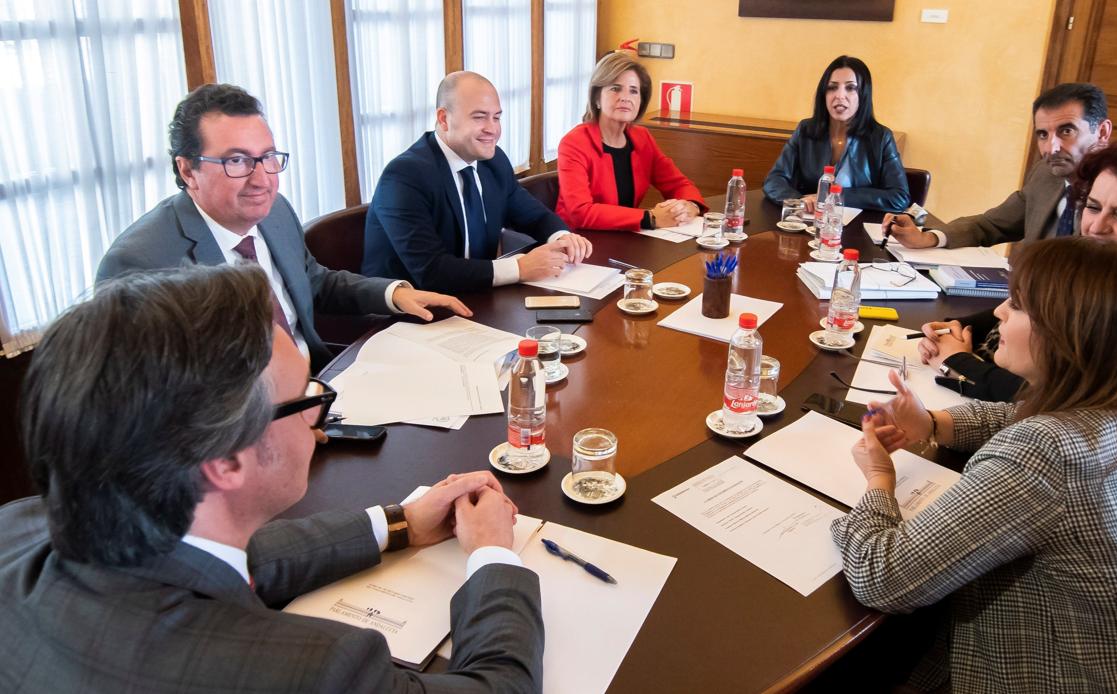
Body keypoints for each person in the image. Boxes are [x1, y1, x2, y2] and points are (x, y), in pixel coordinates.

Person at [0, 263, 542, 692]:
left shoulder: (19, 525)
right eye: (306, 397)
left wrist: (399, 524)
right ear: (225, 461)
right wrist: (494, 556)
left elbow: (205, 561)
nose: (319, 418)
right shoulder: (312, 668)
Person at [833, 238, 1117, 692]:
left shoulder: (1048, 453)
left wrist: (878, 478)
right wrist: (932, 422)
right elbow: (1014, 415)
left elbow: (881, 576)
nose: (1000, 312)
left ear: (1072, 335)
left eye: (1019, 304)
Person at [920, 137, 1117, 508]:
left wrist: (960, 362)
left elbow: (1069, 405)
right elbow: (1043, 306)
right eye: (1092, 206)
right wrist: (961, 324)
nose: (1096, 227)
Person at [96, 83, 469, 372]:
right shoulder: (139, 264)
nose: (261, 180)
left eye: (268, 157)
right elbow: (154, 401)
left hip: (323, 385)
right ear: (187, 170)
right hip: (241, 428)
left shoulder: (275, 211)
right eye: (237, 161)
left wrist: (395, 294)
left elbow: (314, 282)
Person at [364, 71, 594, 294]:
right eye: (479, 117)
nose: (492, 129)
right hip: (412, 309)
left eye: (496, 117)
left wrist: (562, 238)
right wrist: (519, 268)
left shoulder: (493, 161)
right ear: (444, 119)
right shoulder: (405, 176)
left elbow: (534, 216)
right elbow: (431, 271)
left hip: (476, 296)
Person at [885, 82, 1112, 249]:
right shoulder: (1045, 174)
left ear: (1102, 132)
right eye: (1043, 134)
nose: (1052, 148)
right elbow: (989, 225)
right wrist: (927, 237)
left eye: (1067, 131)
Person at [555, 52, 706, 232]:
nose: (625, 97)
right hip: (578, 240)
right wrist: (649, 218)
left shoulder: (642, 138)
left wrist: (690, 206)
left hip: (625, 237)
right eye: (615, 88)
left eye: (633, 91)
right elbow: (580, 212)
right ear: (596, 98)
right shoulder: (574, 143)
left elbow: (678, 184)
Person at [763, 56, 909, 213]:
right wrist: (800, 201)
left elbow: (899, 197)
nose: (839, 95)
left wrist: (835, 196)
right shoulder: (806, 130)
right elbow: (774, 181)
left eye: (850, 88)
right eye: (832, 88)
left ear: (863, 94)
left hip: (857, 225)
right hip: (810, 221)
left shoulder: (881, 138)